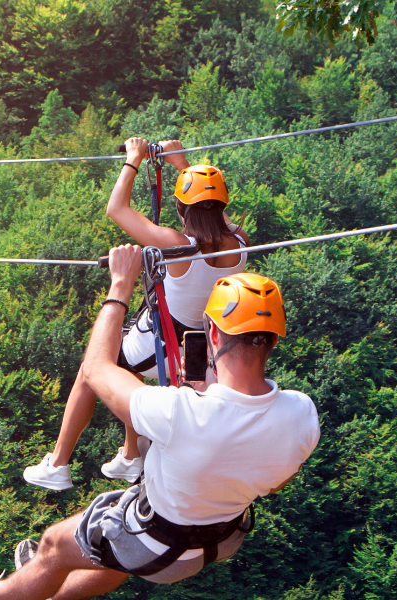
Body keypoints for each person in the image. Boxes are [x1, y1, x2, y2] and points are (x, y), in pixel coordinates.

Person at [0, 245, 319, 599]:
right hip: (215, 543)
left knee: (53, 544)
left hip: (154, 544)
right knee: (112, 550)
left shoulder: (179, 411)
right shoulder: (302, 415)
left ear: (215, 334)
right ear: (272, 342)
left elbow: (95, 369)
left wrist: (120, 284)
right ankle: (47, 592)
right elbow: (273, 481)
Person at [24, 138, 252, 490]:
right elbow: (214, 213)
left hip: (163, 342)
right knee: (129, 368)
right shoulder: (241, 242)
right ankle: (131, 455)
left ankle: (58, 463)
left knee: (92, 369)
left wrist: (133, 159)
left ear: (180, 207)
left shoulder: (177, 245)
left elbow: (116, 209)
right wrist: (182, 165)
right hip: (198, 348)